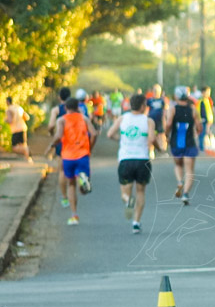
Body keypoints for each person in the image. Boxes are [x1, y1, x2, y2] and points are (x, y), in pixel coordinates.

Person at [107, 93, 156, 234]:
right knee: (141, 191)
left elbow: (110, 134)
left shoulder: (122, 118)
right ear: (142, 106)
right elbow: (151, 139)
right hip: (142, 160)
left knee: (125, 191)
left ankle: (128, 200)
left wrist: (122, 140)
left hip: (126, 159)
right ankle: (136, 222)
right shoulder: (148, 121)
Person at [48, 97, 97, 226]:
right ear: (78, 107)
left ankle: (74, 215)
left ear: (65, 108)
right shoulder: (84, 119)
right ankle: (82, 179)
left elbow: (58, 136)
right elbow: (94, 133)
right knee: (83, 188)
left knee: (71, 185)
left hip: (68, 157)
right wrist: (89, 148)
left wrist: (51, 146)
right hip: (83, 155)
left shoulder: (61, 120)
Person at [166, 86, 200, 204]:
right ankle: (185, 194)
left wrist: (166, 134)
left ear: (176, 96)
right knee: (189, 170)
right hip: (189, 142)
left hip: (176, 141)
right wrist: (197, 132)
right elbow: (199, 126)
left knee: (178, 165)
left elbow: (169, 123)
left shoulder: (173, 109)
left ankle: (180, 182)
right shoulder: (193, 109)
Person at [5, 97, 32, 163]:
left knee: (14, 147)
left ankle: (26, 149)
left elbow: (10, 120)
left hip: (16, 129)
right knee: (23, 144)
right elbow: (27, 117)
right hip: (23, 128)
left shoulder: (9, 109)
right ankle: (28, 160)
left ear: (8, 102)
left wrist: (6, 120)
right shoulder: (19, 108)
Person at [145, 84, 167, 153]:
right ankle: (151, 150)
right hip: (152, 120)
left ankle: (162, 148)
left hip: (160, 120)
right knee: (151, 134)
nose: (155, 92)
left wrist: (165, 120)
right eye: (154, 90)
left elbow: (165, 110)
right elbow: (145, 109)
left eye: (157, 91)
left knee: (161, 134)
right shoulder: (150, 100)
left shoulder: (162, 100)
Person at [196, 86, 215, 153]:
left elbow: (209, 111)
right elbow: (201, 111)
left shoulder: (208, 100)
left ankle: (206, 146)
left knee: (207, 133)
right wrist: (201, 119)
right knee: (202, 134)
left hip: (208, 120)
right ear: (203, 92)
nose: (209, 93)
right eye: (207, 92)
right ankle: (201, 147)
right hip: (203, 120)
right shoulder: (201, 101)